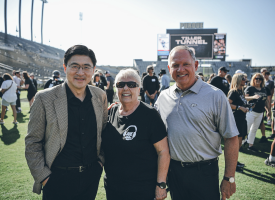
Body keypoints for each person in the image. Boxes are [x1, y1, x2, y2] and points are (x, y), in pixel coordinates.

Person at [155, 45, 239, 200]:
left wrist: (229, 177)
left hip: (204, 173)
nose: (180, 69)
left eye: (185, 64)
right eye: (175, 65)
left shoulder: (215, 95)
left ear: (195, 65)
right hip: (174, 172)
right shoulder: (163, 97)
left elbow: (231, 138)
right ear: (169, 68)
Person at [25, 45, 108, 199]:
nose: (80, 72)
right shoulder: (44, 98)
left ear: (93, 69)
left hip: (91, 176)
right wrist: (44, 178)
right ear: (65, 67)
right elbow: (33, 142)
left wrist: (99, 164)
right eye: (75, 66)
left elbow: (103, 132)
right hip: (56, 179)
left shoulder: (100, 96)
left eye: (86, 67)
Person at [102, 68, 170, 200]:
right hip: (113, 187)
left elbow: (163, 152)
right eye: (121, 85)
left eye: (132, 85)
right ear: (116, 88)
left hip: (142, 189)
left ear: (139, 89)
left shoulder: (150, 115)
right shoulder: (110, 112)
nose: (126, 88)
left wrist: (161, 184)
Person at [227, 73, 249, 172]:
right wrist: (239, 108)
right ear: (238, 80)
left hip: (242, 119)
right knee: (236, 143)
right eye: (243, 78)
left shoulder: (241, 91)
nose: (245, 80)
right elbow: (227, 103)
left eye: (245, 78)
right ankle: (233, 164)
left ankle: (235, 161)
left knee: (239, 143)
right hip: (236, 119)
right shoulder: (234, 92)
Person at [244, 73, 271, 152]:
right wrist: (253, 97)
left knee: (254, 129)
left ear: (262, 80)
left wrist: (268, 110)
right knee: (246, 129)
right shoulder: (250, 88)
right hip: (251, 112)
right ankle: (240, 144)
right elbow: (245, 98)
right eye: (257, 78)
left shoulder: (264, 89)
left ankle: (250, 145)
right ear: (253, 79)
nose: (258, 80)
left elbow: (266, 101)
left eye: (260, 79)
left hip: (260, 112)